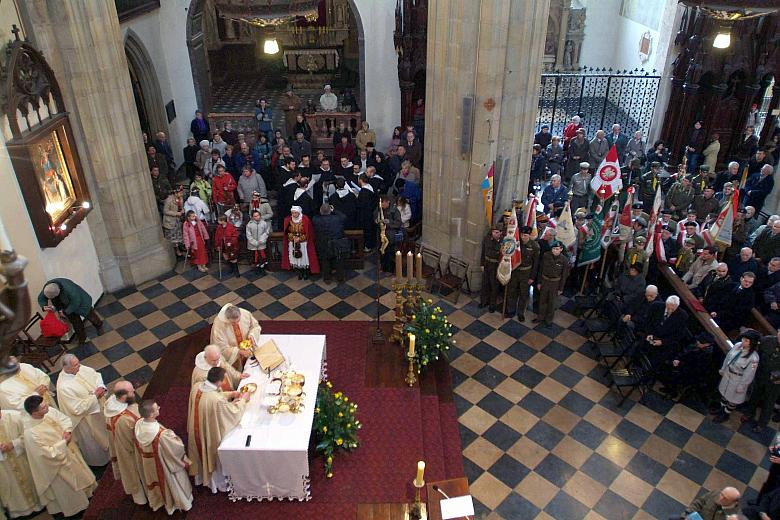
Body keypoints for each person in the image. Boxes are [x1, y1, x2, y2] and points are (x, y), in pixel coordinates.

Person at [22, 395, 97, 518]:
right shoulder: (31, 433)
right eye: (43, 407)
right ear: (35, 412)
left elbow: (64, 419)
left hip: (69, 453)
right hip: (57, 466)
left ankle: (87, 495)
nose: (47, 406)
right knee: (68, 489)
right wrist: (63, 443)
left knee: (80, 476)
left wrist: (67, 431)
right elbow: (45, 454)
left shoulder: (48, 412)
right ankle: (77, 510)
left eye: (45, 403)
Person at [187, 367, 249, 493]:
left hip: (197, 428)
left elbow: (213, 395)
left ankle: (200, 477)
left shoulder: (197, 386)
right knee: (211, 451)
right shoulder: (216, 400)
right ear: (220, 382)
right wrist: (243, 400)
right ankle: (216, 482)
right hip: (208, 432)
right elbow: (232, 413)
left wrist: (231, 394)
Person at [135, 400, 193, 515]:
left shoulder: (139, 425)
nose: (159, 408)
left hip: (148, 462)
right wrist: (174, 437)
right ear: (151, 415)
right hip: (163, 464)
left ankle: (160, 501)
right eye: (157, 408)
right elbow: (176, 448)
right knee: (170, 483)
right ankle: (178, 503)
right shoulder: (161, 434)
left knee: (155, 482)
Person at [55, 353, 110, 467]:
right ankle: (100, 462)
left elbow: (95, 375)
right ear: (66, 368)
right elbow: (76, 408)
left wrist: (100, 386)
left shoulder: (79, 369)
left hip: (98, 409)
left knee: (106, 432)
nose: (79, 367)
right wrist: (95, 396)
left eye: (78, 363)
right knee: (93, 442)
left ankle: (112, 451)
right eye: (75, 365)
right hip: (86, 419)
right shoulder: (64, 387)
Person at [103, 381, 146, 505]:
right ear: (123, 396)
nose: (134, 393)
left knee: (128, 470)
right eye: (132, 391)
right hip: (130, 451)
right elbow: (136, 438)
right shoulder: (125, 419)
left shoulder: (110, 405)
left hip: (119, 447)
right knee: (135, 472)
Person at [0, 406, 41, 518]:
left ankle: (39, 505)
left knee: (30, 478)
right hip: (3, 466)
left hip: (22, 457)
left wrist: (13, 444)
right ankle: (19, 512)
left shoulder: (15, 416)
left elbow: (30, 434)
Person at [712, 329, 761, 423]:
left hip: (738, 379)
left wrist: (742, 386)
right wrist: (723, 368)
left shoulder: (753, 358)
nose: (743, 341)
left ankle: (726, 414)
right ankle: (721, 409)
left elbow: (749, 374)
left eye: (746, 341)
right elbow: (728, 357)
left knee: (732, 398)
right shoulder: (737, 345)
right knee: (724, 393)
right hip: (728, 373)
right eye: (743, 339)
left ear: (752, 343)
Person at [38, 278, 103, 345]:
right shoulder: (48, 289)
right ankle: (82, 337)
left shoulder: (69, 288)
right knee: (75, 322)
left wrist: (66, 312)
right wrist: (44, 306)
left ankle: (99, 325)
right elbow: (41, 298)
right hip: (65, 305)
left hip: (81, 302)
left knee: (91, 316)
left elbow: (76, 302)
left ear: (59, 291)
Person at [658, 332, 715, 400]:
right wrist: (677, 359)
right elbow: (684, 352)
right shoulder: (694, 345)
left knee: (678, 375)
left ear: (707, 344)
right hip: (682, 364)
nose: (698, 342)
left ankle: (672, 392)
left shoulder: (706, 355)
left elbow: (695, 367)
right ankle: (669, 387)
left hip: (690, 372)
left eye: (700, 342)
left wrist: (680, 363)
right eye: (698, 341)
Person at [505, 226, 541, 321]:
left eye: (525, 235)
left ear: (529, 235)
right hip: (515, 271)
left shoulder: (534, 246)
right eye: (521, 235)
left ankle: (521, 312)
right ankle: (510, 310)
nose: (523, 237)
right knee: (512, 291)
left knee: (523, 294)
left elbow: (536, 263)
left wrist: (532, 277)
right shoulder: (516, 243)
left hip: (526, 273)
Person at [644, 295, 689, 367]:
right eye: (668, 308)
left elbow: (679, 335)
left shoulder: (683, 316)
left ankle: (648, 371)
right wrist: (649, 333)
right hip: (651, 333)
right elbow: (648, 321)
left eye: (673, 309)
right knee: (643, 343)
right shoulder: (656, 306)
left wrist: (663, 342)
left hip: (665, 340)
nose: (670, 310)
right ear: (666, 303)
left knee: (662, 355)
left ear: (677, 307)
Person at [210, 303, 259, 368]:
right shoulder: (218, 325)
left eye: (238, 321)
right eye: (233, 323)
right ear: (227, 319)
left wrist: (252, 335)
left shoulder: (245, 313)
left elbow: (254, 326)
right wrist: (238, 351)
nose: (236, 324)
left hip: (247, 347)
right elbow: (220, 347)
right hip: (232, 354)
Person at [536, 240, 570, 327]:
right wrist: (539, 282)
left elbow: (564, 276)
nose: (555, 251)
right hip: (544, 281)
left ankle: (548, 320)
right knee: (542, 300)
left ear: (561, 249)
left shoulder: (564, 260)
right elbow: (541, 269)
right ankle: (540, 317)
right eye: (554, 249)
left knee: (551, 303)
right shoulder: (546, 256)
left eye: (557, 249)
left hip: (555, 283)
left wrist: (561, 288)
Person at [313, 203, 348, 283]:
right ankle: (340, 278)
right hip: (336, 243)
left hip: (323, 244)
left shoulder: (316, 220)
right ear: (330, 211)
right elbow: (344, 217)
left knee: (325, 261)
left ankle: (327, 278)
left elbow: (315, 216)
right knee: (339, 261)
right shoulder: (337, 218)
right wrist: (334, 210)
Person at [282, 206, 320, 279]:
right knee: (295, 257)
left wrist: (300, 238)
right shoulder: (288, 220)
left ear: (299, 212)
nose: (294, 214)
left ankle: (305, 272)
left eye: (295, 213)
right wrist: (293, 238)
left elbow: (309, 233)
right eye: (292, 213)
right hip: (293, 243)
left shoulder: (305, 220)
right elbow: (287, 232)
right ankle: (299, 272)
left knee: (304, 258)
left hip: (303, 243)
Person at [671, 487, 740, 520]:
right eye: (722, 494)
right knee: (673, 518)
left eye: (725, 498)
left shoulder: (734, 517)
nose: (721, 498)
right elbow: (698, 503)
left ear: (733, 502)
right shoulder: (715, 494)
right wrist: (687, 515)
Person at [374, 195, 402, 273]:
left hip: (390, 235)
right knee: (382, 252)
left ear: (387, 202)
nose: (383, 206)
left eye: (384, 204)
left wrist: (389, 222)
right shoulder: (380, 209)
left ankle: (390, 270)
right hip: (381, 234)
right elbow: (375, 215)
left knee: (390, 253)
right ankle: (383, 267)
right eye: (381, 205)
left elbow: (398, 223)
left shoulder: (394, 210)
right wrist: (376, 220)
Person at [479, 226, 502, 313]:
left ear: (500, 233)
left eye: (496, 232)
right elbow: (483, 252)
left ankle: (492, 305)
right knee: (485, 284)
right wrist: (482, 264)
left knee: (494, 286)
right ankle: (483, 301)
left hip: (496, 266)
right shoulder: (487, 239)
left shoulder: (503, 242)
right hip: (487, 264)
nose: (494, 234)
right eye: (493, 232)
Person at [356, 174, 379, 251]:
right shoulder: (370, 187)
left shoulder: (364, 192)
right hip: (370, 212)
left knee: (367, 230)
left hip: (365, 214)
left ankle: (368, 246)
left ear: (361, 180)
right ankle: (371, 245)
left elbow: (361, 204)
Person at [162, 185, 185, 256]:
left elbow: (181, 207)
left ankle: (180, 247)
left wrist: (182, 209)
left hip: (178, 220)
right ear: (175, 193)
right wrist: (176, 213)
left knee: (178, 235)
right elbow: (165, 211)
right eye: (180, 193)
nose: (181, 194)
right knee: (173, 237)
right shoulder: (169, 200)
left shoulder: (180, 198)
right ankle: (176, 250)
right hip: (171, 221)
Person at [246, 209, 271, 273]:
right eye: (255, 216)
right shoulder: (249, 224)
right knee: (254, 257)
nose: (257, 217)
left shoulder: (264, 223)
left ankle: (263, 267)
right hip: (252, 245)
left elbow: (266, 232)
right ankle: (256, 268)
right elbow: (248, 235)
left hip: (261, 243)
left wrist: (262, 240)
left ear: (260, 215)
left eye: (258, 215)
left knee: (262, 256)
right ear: (252, 217)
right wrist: (254, 242)